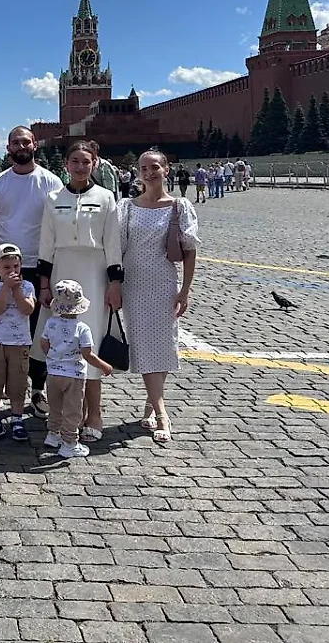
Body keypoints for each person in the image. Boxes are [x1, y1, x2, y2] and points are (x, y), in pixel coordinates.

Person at [36, 141, 122, 442]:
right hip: (62, 269)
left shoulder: (106, 197)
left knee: (91, 341)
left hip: (94, 272)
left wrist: (114, 283)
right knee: (61, 339)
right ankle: (63, 412)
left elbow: (112, 243)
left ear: (94, 163)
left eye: (86, 162)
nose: (80, 167)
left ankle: (94, 412)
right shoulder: (53, 197)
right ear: (67, 165)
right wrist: (45, 283)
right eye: (75, 161)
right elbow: (46, 244)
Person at [0, 126, 63, 421]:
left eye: (26, 141)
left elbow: (56, 227)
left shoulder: (50, 181)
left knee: (38, 330)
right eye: (16, 142)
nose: (21, 146)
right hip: (4, 265)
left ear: (34, 145)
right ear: (8, 147)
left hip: (37, 265)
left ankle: (37, 389)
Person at [118, 150, 199, 445]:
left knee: (163, 345)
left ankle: (153, 404)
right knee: (142, 346)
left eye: (155, 167)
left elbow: (190, 250)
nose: (149, 173)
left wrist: (185, 290)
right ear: (138, 172)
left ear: (166, 169)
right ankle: (162, 412)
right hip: (134, 284)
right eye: (144, 168)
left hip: (164, 282)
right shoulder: (127, 207)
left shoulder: (179, 207)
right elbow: (118, 248)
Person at [40, 279, 113, 459]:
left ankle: (53, 434)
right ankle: (70, 443)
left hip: (53, 373)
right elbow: (87, 354)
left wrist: (52, 356)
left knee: (55, 406)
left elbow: (43, 343)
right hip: (74, 375)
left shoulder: (51, 323)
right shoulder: (82, 328)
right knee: (73, 410)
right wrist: (104, 366)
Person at [0, 243, 36, 441]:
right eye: (6, 268)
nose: (12, 271)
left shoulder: (28, 286)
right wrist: (6, 288)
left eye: (15, 267)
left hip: (20, 343)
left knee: (18, 382)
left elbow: (27, 309)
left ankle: (16, 417)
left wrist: (18, 291)